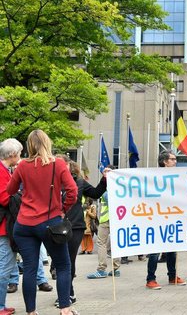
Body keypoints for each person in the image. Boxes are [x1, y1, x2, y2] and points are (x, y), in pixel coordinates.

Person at [7, 129, 78, 315]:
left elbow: (10, 189)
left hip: (24, 224)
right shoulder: (58, 164)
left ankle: (31, 312)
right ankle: (64, 309)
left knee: (29, 268)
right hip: (50, 223)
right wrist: (63, 209)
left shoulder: (22, 166)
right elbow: (73, 191)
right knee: (63, 265)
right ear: (47, 143)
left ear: (29, 145)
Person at [53, 158, 107, 307]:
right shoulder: (52, 181)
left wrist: (104, 180)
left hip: (75, 226)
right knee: (59, 261)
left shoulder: (79, 182)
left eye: (64, 165)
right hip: (55, 226)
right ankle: (67, 292)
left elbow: (96, 193)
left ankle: (67, 294)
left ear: (70, 167)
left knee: (68, 259)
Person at [145, 150, 186, 289]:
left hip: (171, 217)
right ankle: (150, 279)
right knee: (155, 250)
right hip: (157, 217)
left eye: (175, 159)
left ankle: (172, 276)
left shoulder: (177, 177)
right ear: (164, 162)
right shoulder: (153, 177)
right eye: (173, 159)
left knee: (172, 249)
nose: (175, 161)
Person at [0, 138, 23, 315]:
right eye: (20, 153)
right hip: (3, 227)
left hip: (5, 226)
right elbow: (4, 197)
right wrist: (20, 196)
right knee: (4, 267)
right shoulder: (1, 171)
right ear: (13, 154)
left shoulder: (5, 170)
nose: (21, 156)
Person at [87, 166, 121, 279]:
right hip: (117, 218)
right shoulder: (119, 185)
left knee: (101, 243)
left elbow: (106, 197)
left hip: (107, 218)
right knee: (115, 242)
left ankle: (101, 269)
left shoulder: (109, 187)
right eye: (104, 171)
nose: (104, 173)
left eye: (108, 171)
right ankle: (116, 269)